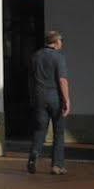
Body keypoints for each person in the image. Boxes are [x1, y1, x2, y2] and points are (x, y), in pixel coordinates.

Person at [27, 30, 70, 175]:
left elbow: (31, 79)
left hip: (39, 96)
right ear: (57, 42)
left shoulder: (36, 56)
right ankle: (57, 165)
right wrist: (67, 100)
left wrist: (33, 97)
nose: (62, 44)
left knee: (40, 129)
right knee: (59, 131)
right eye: (61, 41)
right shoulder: (58, 57)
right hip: (55, 97)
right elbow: (62, 80)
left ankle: (34, 155)